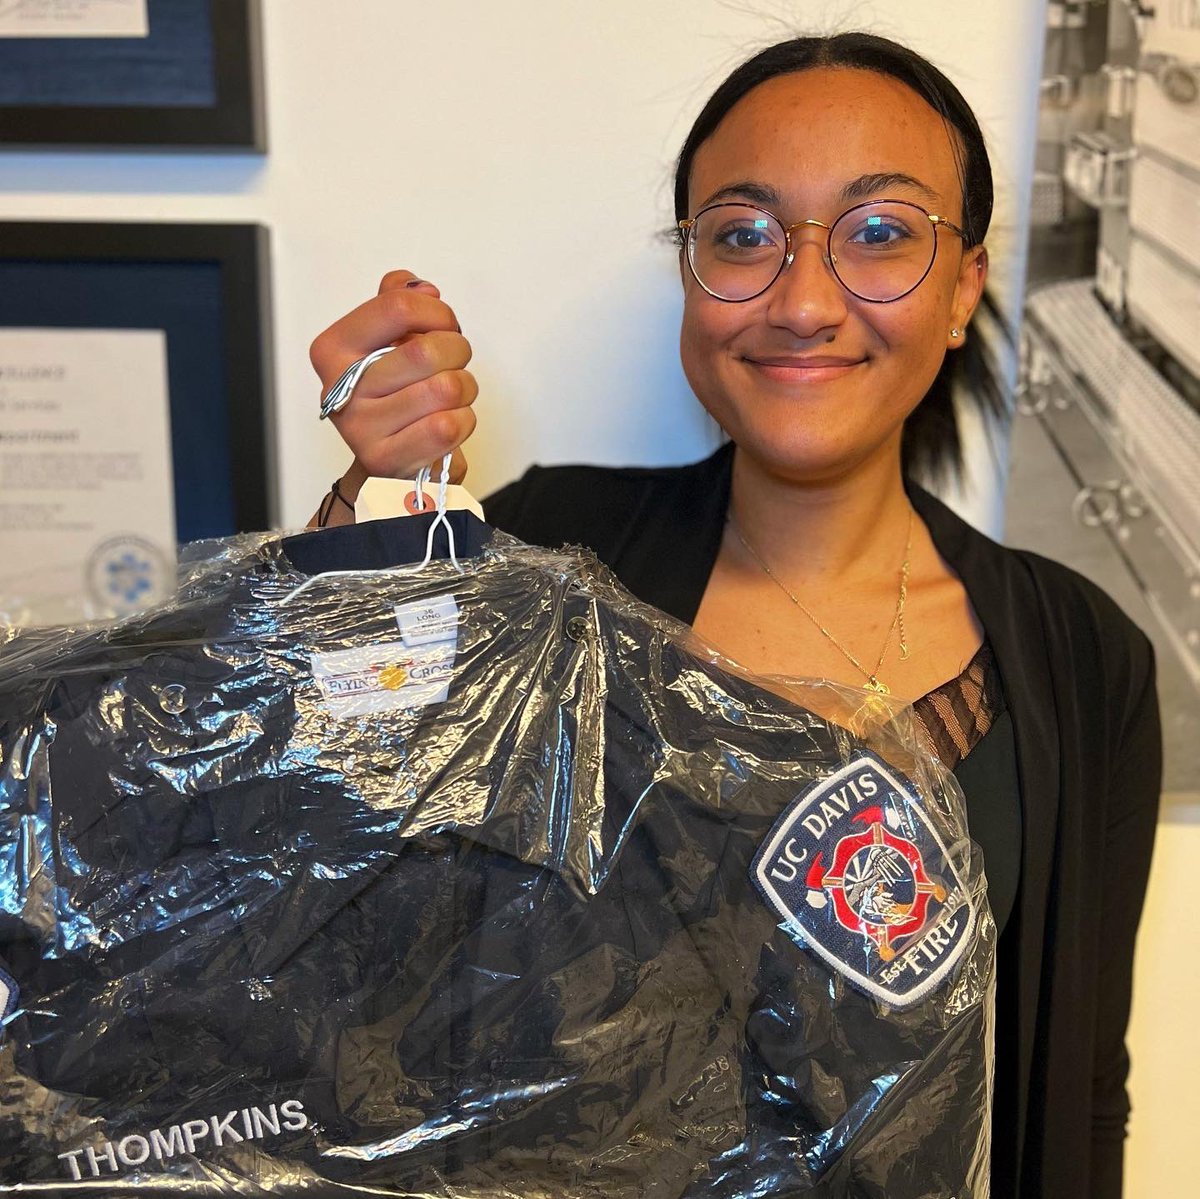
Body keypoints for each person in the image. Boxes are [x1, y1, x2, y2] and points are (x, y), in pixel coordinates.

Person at [304, 32, 1161, 1199]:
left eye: (880, 231)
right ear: (691, 274)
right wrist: (376, 504)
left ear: (963, 289)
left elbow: (1082, 1090)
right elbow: (321, 850)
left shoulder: (1084, 659)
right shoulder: (549, 559)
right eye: (745, 235)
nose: (803, 302)